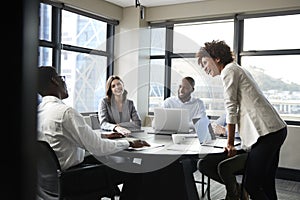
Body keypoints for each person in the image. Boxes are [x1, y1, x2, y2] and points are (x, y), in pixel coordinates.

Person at [37, 66, 150, 199]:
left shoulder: (37, 113)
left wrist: (103, 136)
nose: (64, 82)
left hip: (50, 182)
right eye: (61, 78)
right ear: (54, 81)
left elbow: (64, 140)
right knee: (137, 168)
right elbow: (98, 147)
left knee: (106, 159)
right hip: (73, 179)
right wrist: (129, 143)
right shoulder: (65, 112)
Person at [196, 40, 287, 200]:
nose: (204, 68)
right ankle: (238, 190)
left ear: (216, 58)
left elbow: (231, 108)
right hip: (275, 130)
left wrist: (230, 143)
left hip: (268, 132)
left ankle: (238, 191)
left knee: (252, 185)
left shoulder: (229, 70)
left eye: (205, 62)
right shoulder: (236, 69)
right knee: (265, 184)